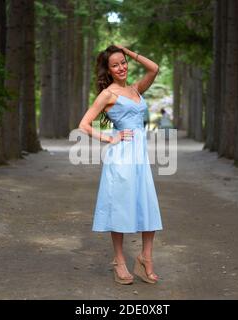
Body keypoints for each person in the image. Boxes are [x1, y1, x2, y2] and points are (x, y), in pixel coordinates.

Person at [79, 45, 162, 285]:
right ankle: (119, 261)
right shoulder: (108, 94)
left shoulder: (136, 89)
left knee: (146, 204)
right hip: (121, 157)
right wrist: (109, 137)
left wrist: (128, 51)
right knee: (121, 207)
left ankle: (146, 257)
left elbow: (154, 68)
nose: (121, 67)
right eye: (115, 65)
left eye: (123, 62)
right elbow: (84, 124)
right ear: (108, 70)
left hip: (140, 157)